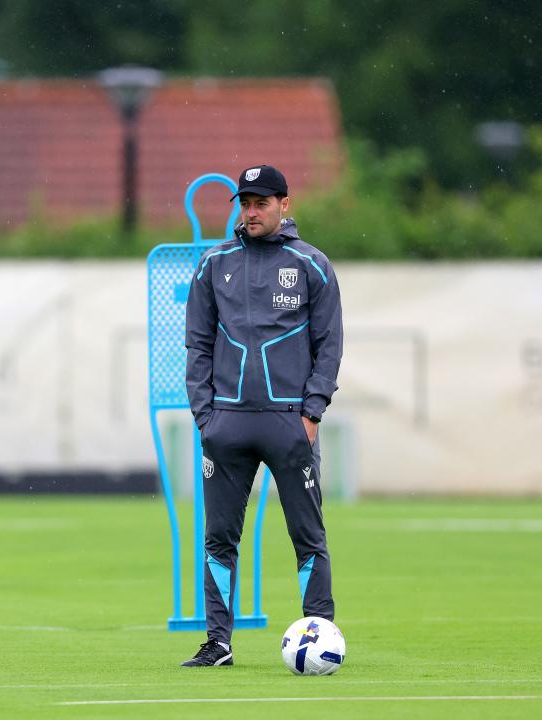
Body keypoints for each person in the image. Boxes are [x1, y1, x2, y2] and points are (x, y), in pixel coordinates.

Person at [180, 164, 343, 667]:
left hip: (290, 422)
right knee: (218, 538)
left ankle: (321, 636)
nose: (251, 212)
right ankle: (218, 643)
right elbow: (197, 343)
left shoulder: (312, 264)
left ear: (284, 204)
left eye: (261, 203)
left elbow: (329, 344)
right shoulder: (214, 263)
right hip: (226, 424)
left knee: (308, 536)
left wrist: (312, 412)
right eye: (245, 203)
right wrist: (205, 415)